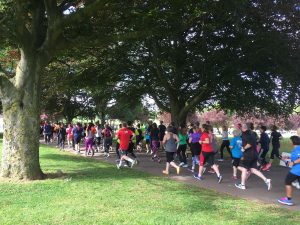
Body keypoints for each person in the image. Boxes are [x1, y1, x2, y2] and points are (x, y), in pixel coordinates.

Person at [235, 123, 271, 190]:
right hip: (254, 154)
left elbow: (249, 143)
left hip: (248, 155)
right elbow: (256, 141)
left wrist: (244, 148)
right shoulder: (253, 133)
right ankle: (266, 180)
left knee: (244, 169)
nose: (240, 129)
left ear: (243, 128)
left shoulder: (245, 134)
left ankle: (242, 185)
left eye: (241, 128)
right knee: (253, 169)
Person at [278, 136, 300, 206]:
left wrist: (293, 162)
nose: (290, 142)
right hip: (297, 170)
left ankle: (288, 199)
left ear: (293, 141)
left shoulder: (298, 148)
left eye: (290, 140)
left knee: (288, 181)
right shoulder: (296, 148)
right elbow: (296, 156)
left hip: (297, 170)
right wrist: (288, 157)